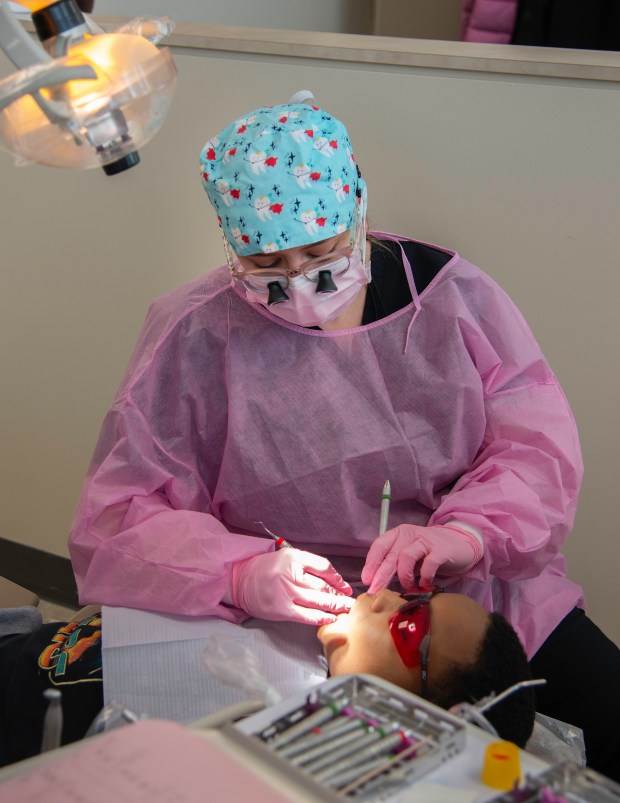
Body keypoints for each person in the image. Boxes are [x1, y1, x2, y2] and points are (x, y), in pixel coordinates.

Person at [67, 93, 620, 779]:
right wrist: (238, 572)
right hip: (281, 623)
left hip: (470, 597)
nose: (299, 282)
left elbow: (534, 451)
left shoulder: (448, 301)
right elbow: (119, 518)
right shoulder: (195, 335)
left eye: (321, 251)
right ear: (231, 241)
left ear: (356, 205)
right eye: (268, 264)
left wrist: (466, 534)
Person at [0, 588, 535, 767]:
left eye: (410, 623)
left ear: (415, 721)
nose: (389, 596)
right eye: (413, 598)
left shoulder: (282, 752)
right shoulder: (296, 609)